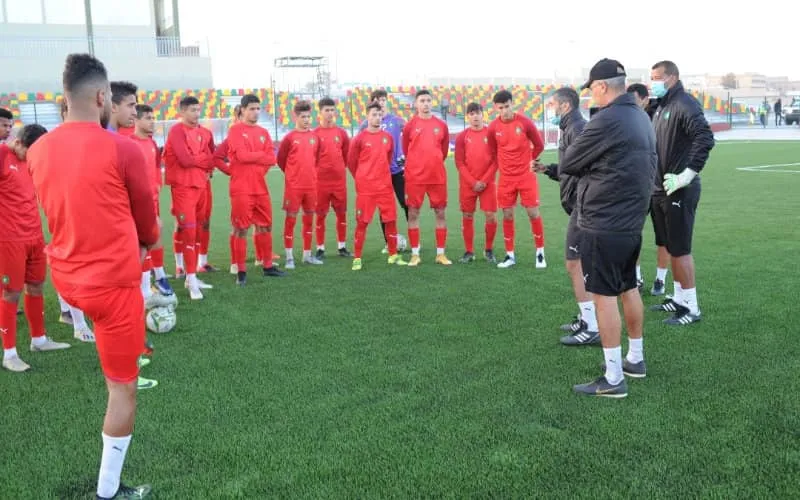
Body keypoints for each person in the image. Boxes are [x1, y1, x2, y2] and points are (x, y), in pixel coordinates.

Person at [28, 52, 156, 498]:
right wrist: (143, 242)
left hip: (67, 281)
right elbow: (150, 225)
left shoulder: (39, 147)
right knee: (123, 390)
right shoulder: (121, 147)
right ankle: (108, 490)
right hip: (113, 286)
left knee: (116, 363)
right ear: (102, 96)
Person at [560, 58, 657, 398]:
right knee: (628, 287)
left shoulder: (608, 119)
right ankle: (636, 359)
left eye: (592, 89)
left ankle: (614, 378)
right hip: (631, 221)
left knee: (603, 297)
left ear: (601, 87)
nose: (592, 97)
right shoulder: (640, 117)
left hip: (604, 220)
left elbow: (570, 163)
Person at [1, 125, 72, 373]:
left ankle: (39, 340)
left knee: (36, 286)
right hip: (9, 240)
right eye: (30, 151)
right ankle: (9, 353)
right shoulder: (2, 155)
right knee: (11, 293)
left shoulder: (32, 162)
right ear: (18, 143)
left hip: (34, 235)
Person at [648, 60, 715, 326]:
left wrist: (686, 175)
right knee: (669, 246)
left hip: (679, 188)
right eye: (651, 77)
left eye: (657, 77)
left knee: (680, 250)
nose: (653, 82)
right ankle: (678, 299)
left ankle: (692, 307)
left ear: (672, 78)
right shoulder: (661, 106)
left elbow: (705, 138)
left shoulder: (684, 103)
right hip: (660, 189)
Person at [535, 87, 598, 345]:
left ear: (564, 106)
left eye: (552, 105)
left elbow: (587, 168)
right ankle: (587, 318)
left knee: (575, 263)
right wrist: (550, 169)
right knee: (578, 263)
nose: (549, 110)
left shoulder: (578, 128)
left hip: (583, 205)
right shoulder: (569, 128)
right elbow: (572, 168)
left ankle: (592, 325)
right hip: (577, 203)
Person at [227, 93, 286, 285]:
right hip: (241, 188)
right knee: (241, 229)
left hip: (260, 187)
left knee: (265, 226)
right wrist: (260, 156)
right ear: (242, 110)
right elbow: (242, 156)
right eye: (252, 108)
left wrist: (257, 159)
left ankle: (268, 266)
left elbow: (272, 159)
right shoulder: (235, 130)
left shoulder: (263, 132)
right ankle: (241, 271)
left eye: (258, 108)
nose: (255, 112)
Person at [487, 89, 547, 269]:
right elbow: (492, 151)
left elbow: (539, 145)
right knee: (507, 214)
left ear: (512, 104)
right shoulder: (493, 127)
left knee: (533, 213)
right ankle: (510, 255)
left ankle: (540, 254)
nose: (505, 110)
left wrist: (529, 161)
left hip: (526, 176)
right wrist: (505, 166)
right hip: (506, 178)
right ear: (496, 108)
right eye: (501, 108)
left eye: (507, 106)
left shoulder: (525, 122)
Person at [163, 96, 216, 299]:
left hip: (201, 186)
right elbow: (184, 161)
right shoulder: (177, 130)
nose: (196, 113)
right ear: (182, 112)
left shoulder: (204, 132)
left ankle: (191, 276)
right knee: (188, 232)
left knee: (197, 233)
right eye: (192, 110)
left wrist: (200, 160)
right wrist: (201, 160)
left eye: (198, 109)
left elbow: (211, 158)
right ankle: (190, 279)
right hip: (184, 188)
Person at [348, 100, 409, 270]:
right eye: (374, 114)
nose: (377, 117)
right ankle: (357, 258)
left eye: (379, 114)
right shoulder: (359, 139)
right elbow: (352, 163)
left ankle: (393, 255)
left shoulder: (387, 138)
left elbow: (388, 159)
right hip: (366, 188)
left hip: (385, 187)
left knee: (390, 220)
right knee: (362, 222)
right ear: (367, 116)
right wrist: (361, 178)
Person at [130, 104, 177, 300]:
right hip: (136, 203)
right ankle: (143, 286)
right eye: (148, 118)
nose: (152, 121)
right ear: (136, 120)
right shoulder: (129, 144)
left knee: (155, 237)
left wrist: (157, 183)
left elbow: (157, 166)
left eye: (153, 117)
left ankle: (159, 276)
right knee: (140, 243)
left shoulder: (151, 143)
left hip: (153, 201)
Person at [627, 83, 670, 295]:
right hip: (637, 187)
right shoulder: (626, 119)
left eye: (634, 100)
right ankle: (636, 276)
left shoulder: (660, 114)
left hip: (660, 186)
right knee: (633, 233)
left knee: (662, 236)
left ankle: (660, 280)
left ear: (644, 99)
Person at [402, 89, 451, 266]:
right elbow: (406, 149)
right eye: (422, 100)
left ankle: (440, 254)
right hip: (415, 177)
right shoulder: (410, 125)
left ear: (432, 103)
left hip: (437, 177)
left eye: (428, 100)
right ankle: (415, 254)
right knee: (413, 213)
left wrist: (434, 162)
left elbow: (443, 151)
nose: (425, 104)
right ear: (416, 104)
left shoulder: (441, 125)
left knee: (440, 212)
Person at [359, 89, 407, 251]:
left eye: (383, 99)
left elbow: (410, 137)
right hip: (379, 175)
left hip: (397, 171)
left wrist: (405, 157)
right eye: (377, 99)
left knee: (407, 204)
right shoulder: (365, 124)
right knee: (383, 210)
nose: (381, 102)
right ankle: (388, 243)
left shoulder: (398, 121)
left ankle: (415, 242)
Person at [277, 100, 322, 268]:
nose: (307, 120)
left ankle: (307, 255)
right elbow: (281, 160)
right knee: (291, 221)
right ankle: (289, 257)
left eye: (309, 117)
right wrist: (292, 175)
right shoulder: (289, 138)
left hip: (311, 186)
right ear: (295, 117)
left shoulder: (314, 137)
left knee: (309, 220)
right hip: (294, 187)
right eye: (303, 116)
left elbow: (315, 159)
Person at [453, 102, 498, 264]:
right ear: (468, 117)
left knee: (490, 215)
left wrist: (484, 181)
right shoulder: (462, 137)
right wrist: (472, 182)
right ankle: (469, 251)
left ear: (483, 114)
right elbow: (459, 162)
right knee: (467, 214)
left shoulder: (491, 134)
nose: (475, 116)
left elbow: (496, 160)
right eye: (471, 114)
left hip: (487, 184)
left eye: (478, 113)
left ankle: (488, 249)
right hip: (468, 184)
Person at [314, 97, 352, 259]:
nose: (330, 113)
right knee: (320, 215)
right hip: (320, 183)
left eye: (332, 110)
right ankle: (320, 248)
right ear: (320, 112)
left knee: (341, 214)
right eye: (326, 110)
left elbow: (346, 155)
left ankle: (342, 247)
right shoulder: (314, 134)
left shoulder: (341, 133)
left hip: (339, 182)